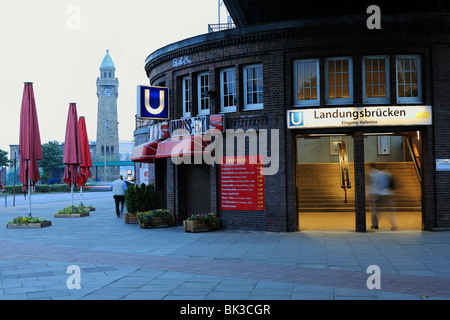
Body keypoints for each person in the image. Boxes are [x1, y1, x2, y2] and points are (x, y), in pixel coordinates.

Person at [367, 163, 398, 231]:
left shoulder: (373, 174)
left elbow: (371, 185)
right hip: (388, 193)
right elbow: (393, 183)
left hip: (376, 194)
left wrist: (368, 193)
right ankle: (394, 225)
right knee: (391, 211)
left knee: (375, 210)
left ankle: (375, 224)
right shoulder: (388, 174)